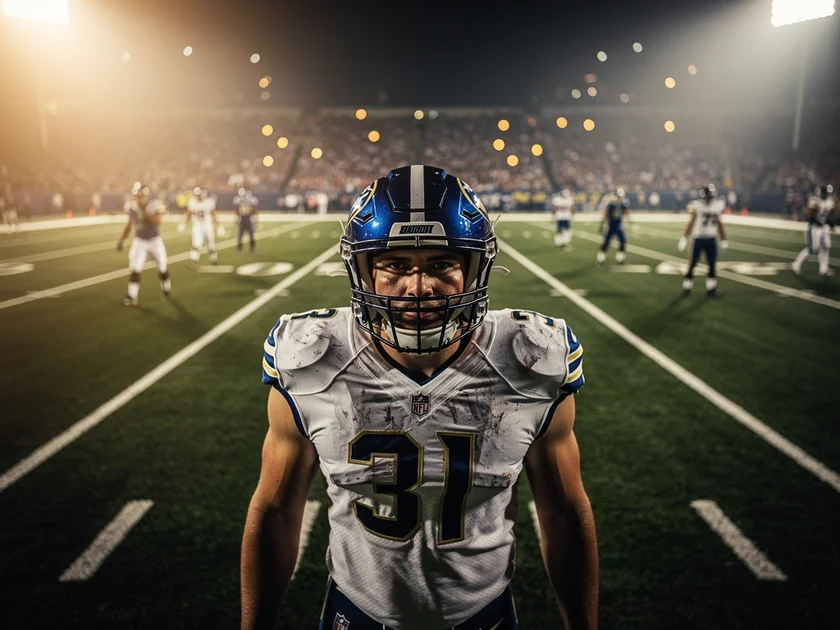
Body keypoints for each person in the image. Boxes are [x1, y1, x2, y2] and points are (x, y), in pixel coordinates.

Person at [241, 165, 598, 630]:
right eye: (395, 265)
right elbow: (275, 511)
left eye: (441, 263)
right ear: (362, 271)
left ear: (474, 268)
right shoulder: (311, 358)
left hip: (482, 617)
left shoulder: (530, 359)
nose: (418, 286)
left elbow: (564, 512)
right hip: (357, 615)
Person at [116, 182, 171, 305]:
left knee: (162, 266)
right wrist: (121, 240)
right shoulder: (132, 206)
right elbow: (129, 225)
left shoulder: (154, 204)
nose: (140, 196)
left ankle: (166, 289)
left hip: (154, 240)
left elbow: (158, 221)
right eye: (138, 194)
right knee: (135, 268)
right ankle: (132, 295)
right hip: (140, 240)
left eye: (142, 194)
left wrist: (146, 212)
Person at [678, 184, 728, 297]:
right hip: (699, 238)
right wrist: (684, 237)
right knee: (692, 264)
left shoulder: (716, 206)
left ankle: (711, 288)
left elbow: (719, 223)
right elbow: (691, 222)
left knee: (712, 264)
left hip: (711, 238)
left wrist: (723, 238)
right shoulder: (697, 206)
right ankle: (687, 288)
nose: (708, 199)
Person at [791, 184, 835, 277]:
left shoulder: (829, 202)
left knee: (826, 247)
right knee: (812, 249)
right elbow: (810, 216)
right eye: (826, 192)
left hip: (823, 227)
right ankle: (796, 264)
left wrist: (831, 224)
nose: (827, 194)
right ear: (821, 192)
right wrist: (822, 223)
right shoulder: (814, 201)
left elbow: (827, 216)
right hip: (814, 227)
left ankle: (823, 269)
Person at [596, 188, 631, 265]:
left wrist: (631, 222)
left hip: (619, 225)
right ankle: (600, 258)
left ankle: (620, 258)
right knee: (606, 242)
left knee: (623, 241)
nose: (620, 198)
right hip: (610, 225)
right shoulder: (611, 204)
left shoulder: (623, 204)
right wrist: (602, 224)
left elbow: (627, 213)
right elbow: (605, 214)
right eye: (619, 196)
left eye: (621, 196)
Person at [186, 187, 219, 267]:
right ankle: (193, 260)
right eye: (197, 195)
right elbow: (189, 213)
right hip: (197, 225)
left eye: (199, 195)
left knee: (210, 244)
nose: (198, 196)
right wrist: (185, 222)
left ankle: (213, 259)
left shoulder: (208, 202)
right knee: (196, 243)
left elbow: (213, 212)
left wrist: (218, 223)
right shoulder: (192, 202)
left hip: (207, 225)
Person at [233, 187, 259, 255]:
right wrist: (235, 219)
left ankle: (252, 249)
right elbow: (237, 211)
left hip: (248, 218)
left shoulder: (250, 200)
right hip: (242, 219)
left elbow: (254, 209)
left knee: (251, 235)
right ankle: (239, 250)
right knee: (240, 236)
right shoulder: (238, 200)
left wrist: (256, 218)